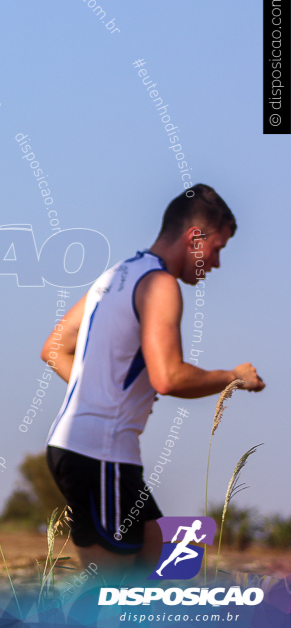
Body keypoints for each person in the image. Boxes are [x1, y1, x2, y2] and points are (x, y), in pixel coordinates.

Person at [42, 183, 264, 577]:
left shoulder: (117, 274)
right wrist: (234, 377)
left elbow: (54, 347)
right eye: (218, 248)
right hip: (100, 455)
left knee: (157, 557)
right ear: (194, 237)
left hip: (92, 452)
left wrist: (107, 389)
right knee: (113, 596)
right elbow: (168, 377)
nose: (216, 263)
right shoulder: (161, 285)